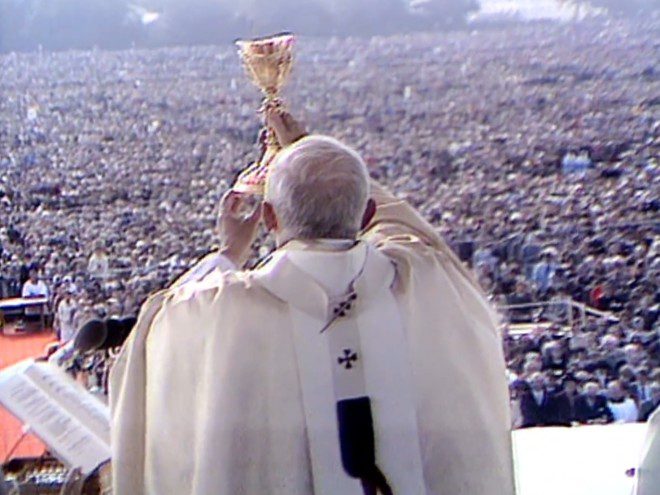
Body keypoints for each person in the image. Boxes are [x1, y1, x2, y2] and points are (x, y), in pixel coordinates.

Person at [110, 110, 515, 495]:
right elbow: (414, 233)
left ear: (269, 218)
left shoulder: (219, 312)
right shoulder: (424, 282)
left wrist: (229, 251)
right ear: (367, 212)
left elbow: (148, 340)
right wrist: (305, 144)